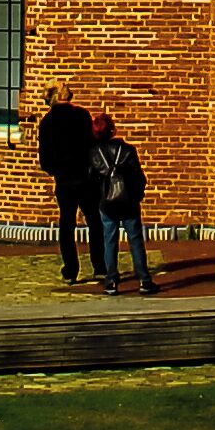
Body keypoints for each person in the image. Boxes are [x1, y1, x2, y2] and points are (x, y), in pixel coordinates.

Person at [35, 87, 99, 286]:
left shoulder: (47, 123)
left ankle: (70, 270)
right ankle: (100, 266)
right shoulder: (82, 116)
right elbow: (92, 146)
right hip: (85, 177)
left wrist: (57, 170)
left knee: (67, 224)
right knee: (94, 221)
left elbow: (45, 160)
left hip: (64, 179)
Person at [89, 111, 155, 294]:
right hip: (128, 201)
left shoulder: (95, 154)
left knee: (109, 241)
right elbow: (139, 177)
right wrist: (137, 195)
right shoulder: (127, 150)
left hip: (106, 203)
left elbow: (92, 180)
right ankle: (144, 279)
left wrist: (98, 199)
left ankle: (110, 281)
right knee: (135, 240)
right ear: (112, 129)